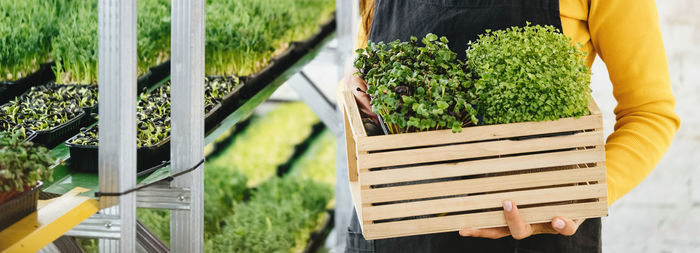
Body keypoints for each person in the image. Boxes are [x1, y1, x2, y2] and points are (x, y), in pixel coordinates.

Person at [344, 0, 681, 252]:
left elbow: (649, 112)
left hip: (535, 236)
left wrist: (581, 197)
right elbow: (365, 69)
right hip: (394, 232)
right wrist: (358, 93)